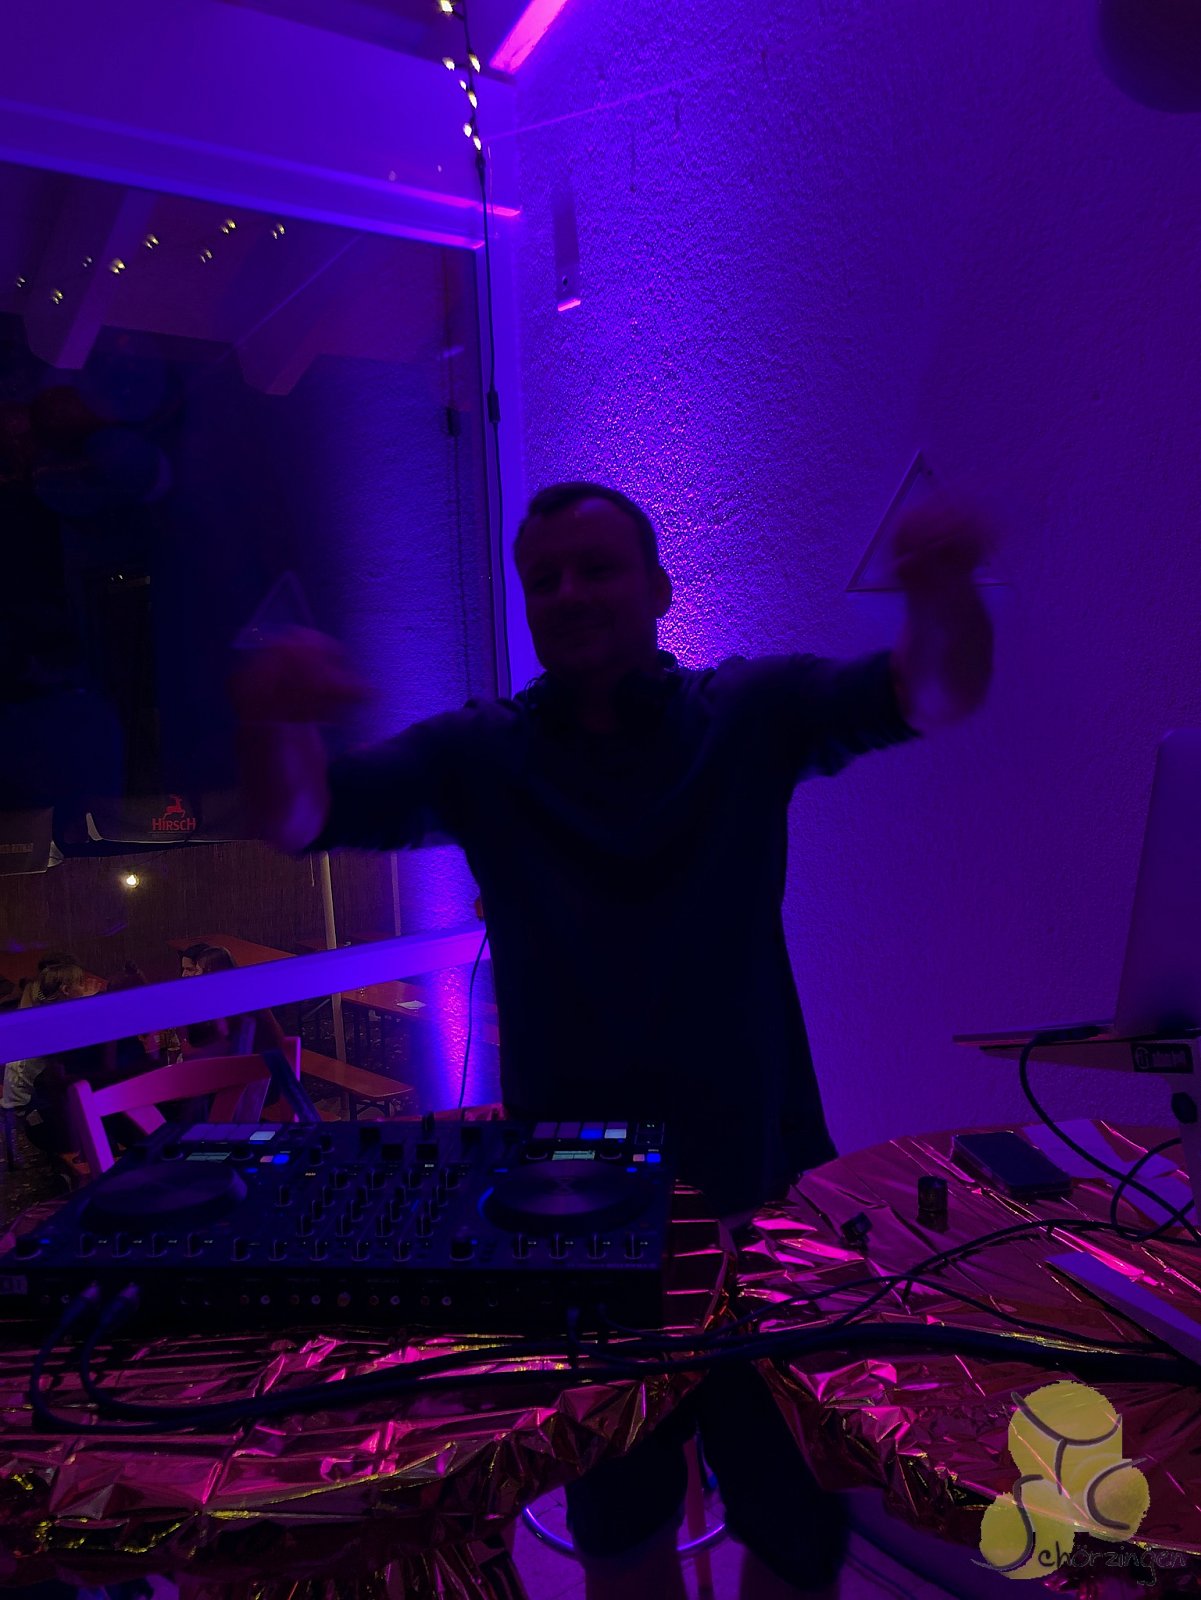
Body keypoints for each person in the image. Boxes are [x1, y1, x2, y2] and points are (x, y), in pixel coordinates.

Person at [231, 482, 994, 1600]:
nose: (569, 592)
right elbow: (300, 815)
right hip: (576, 1228)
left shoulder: (747, 713)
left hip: (760, 1205)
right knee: (619, 1527)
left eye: (596, 567)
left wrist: (941, 586)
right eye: (543, 578)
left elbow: (932, 691)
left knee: (792, 1529)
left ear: (660, 589)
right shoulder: (483, 752)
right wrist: (272, 715)